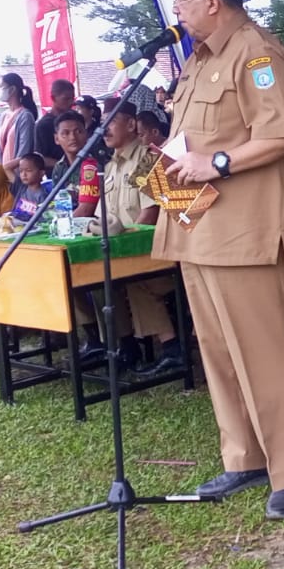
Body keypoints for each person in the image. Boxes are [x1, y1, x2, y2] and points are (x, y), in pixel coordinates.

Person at [156, 0, 284, 520]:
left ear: (211, 2)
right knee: (218, 353)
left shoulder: (257, 53)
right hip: (199, 229)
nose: (176, 12)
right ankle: (244, 455)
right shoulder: (197, 59)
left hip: (245, 234)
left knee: (266, 353)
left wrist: (215, 162)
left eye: (181, 2)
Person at [97, 99, 182, 374]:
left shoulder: (149, 158)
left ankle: (171, 348)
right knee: (97, 280)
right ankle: (126, 347)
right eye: (101, 123)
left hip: (153, 251)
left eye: (110, 122)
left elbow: (150, 216)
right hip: (121, 251)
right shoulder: (110, 167)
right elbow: (103, 218)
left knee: (132, 279)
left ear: (132, 124)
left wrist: (125, 246)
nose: (104, 129)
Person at [50, 111, 102, 219]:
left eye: (78, 131)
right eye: (65, 133)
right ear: (56, 139)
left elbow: (86, 210)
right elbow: (58, 203)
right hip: (70, 225)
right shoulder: (59, 168)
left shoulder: (92, 164)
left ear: (86, 134)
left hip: (92, 226)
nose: (73, 137)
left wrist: (64, 223)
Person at [0, 72, 38, 181]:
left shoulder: (25, 116)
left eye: (1, 87)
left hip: (18, 176)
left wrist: (12, 173)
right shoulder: (3, 116)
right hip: (3, 176)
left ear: (12, 89)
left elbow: (24, 152)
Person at [35, 78, 78, 166]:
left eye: (72, 98)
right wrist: (66, 166)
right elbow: (40, 158)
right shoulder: (44, 125)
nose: (71, 102)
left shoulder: (76, 118)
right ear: (53, 98)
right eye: (66, 99)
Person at [11, 153, 51, 219]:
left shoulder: (42, 196)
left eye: (28, 170)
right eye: (21, 171)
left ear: (41, 173)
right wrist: (23, 159)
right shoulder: (21, 187)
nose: (24, 174)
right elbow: (6, 167)